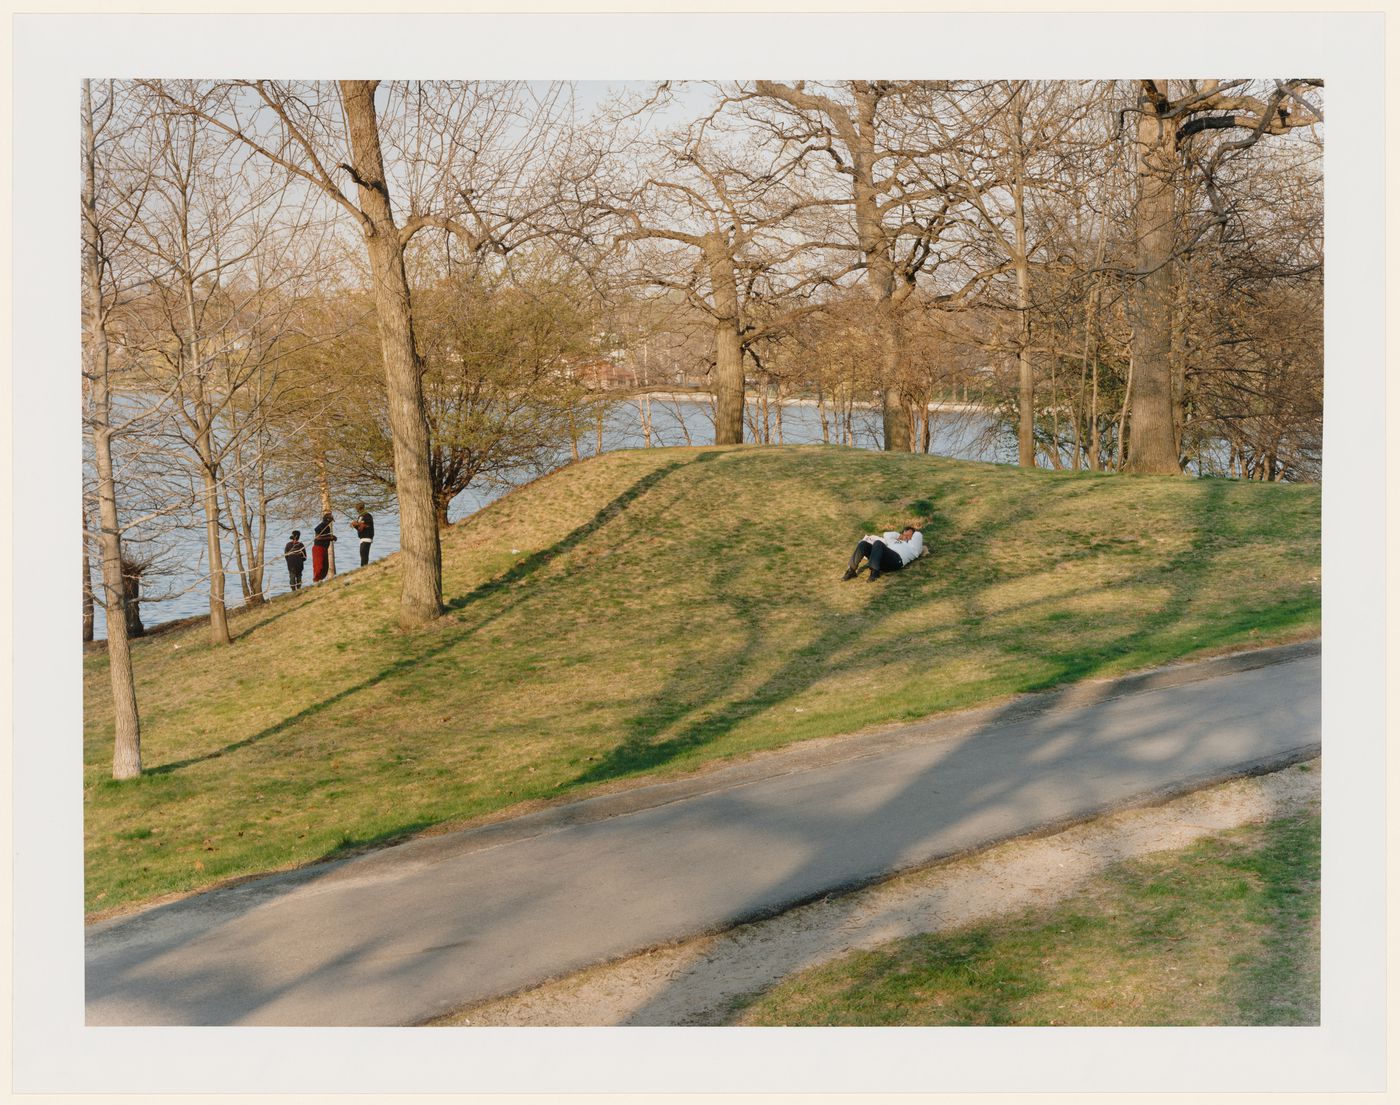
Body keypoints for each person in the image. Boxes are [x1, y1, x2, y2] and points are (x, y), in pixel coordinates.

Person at [843, 525, 924, 581]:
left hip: (896, 561)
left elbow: (918, 534)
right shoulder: (894, 541)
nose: (907, 536)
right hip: (882, 559)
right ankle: (851, 570)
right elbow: (886, 534)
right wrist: (899, 536)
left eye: (910, 534)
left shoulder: (913, 547)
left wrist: (909, 533)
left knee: (878, 543)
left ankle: (874, 572)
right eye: (905, 533)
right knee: (863, 543)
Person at [312, 512, 336, 582]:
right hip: (318, 548)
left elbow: (325, 536)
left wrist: (331, 537)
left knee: (325, 567)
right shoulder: (322, 525)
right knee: (319, 567)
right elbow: (318, 538)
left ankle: (320, 581)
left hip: (324, 549)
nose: (331, 522)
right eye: (330, 520)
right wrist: (330, 537)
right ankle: (316, 581)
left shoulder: (327, 527)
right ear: (328, 520)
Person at [350, 502, 374, 567]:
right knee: (362, 554)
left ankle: (364, 568)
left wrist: (358, 524)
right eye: (357, 509)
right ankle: (363, 567)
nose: (358, 511)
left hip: (367, 538)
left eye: (358, 509)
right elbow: (360, 529)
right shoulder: (360, 517)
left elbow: (367, 525)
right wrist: (354, 525)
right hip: (362, 538)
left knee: (364, 555)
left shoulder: (368, 516)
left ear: (362, 508)